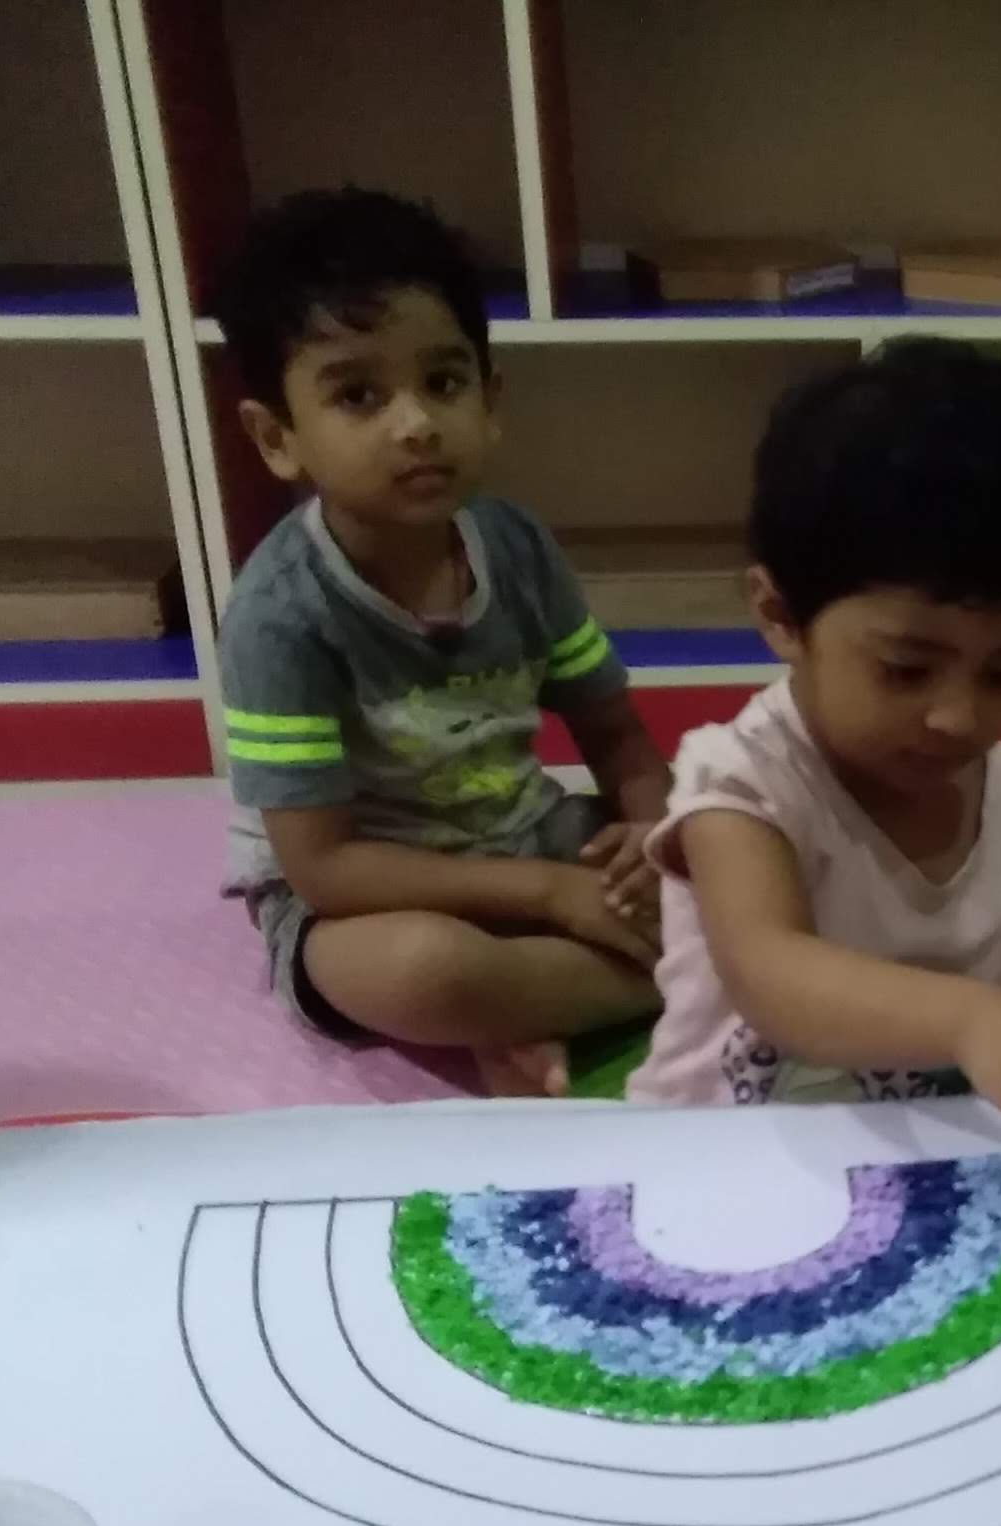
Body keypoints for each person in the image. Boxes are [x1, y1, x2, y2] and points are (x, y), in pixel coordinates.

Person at [625, 339, 1001, 1140]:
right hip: (718, 1159)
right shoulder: (742, 781)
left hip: (935, 1160)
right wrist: (970, 1021)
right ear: (781, 616)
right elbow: (768, 972)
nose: (958, 718)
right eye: (905, 668)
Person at [213, 188, 670, 1097]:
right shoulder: (280, 615)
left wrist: (653, 834)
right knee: (430, 972)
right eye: (358, 394)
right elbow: (325, 866)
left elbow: (614, 734)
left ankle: (548, 1002)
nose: (415, 422)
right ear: (277, 437)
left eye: (444, 382)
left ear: (491, 400)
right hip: (361, 897)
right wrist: (549, 899)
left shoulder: (517, 546)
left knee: (736, 839)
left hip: (529, 834)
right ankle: (683, 980)